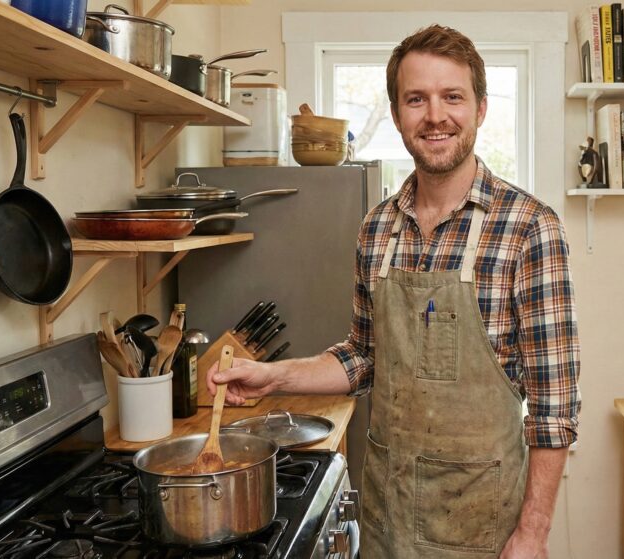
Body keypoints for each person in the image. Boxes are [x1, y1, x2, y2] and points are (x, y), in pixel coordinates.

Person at [206, 24, 580, 559]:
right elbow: (364, 358)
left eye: (453, 96)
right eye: (416, 99)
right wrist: (273, 376)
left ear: (480, 109)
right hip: (386, 521)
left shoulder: (529, 228)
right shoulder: (378, 227)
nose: (435, 115)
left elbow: (554, 405)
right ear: (398, 113)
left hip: (482, 528)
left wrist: (534, 533)